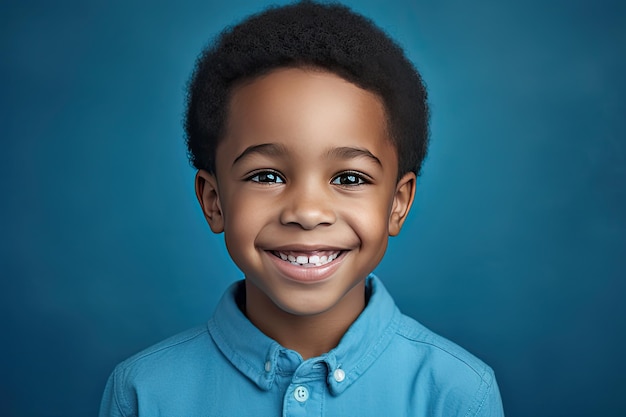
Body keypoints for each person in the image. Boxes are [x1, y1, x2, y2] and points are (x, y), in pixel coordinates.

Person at [99, 2, 505, 416]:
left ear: (397, 204)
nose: (308, 213)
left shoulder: (457, 394)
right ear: (214, 200)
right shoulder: (144, 393)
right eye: (267, 176)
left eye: (349, 178)